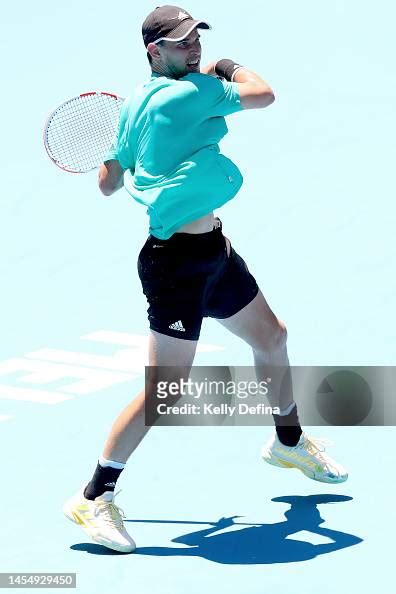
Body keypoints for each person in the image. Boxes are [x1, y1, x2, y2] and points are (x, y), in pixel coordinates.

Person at [63, 5, 348, 554]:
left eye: (197, 40)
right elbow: (263, 93)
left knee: (272, 337)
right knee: (165, 395)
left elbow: (106, 183)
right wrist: (227, 65)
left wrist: (129, 148)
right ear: (156, 53)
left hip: (212, 251)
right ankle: (93, 496)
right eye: (181, 43)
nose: (193, 49)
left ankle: (288, 441)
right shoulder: (193, 92)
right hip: (176, 267)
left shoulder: (136, 106)